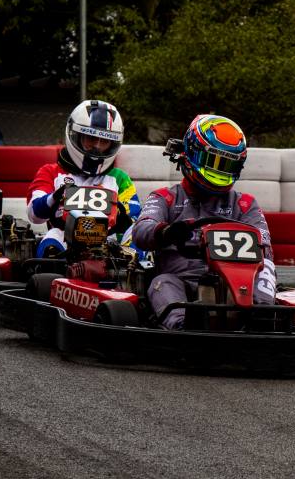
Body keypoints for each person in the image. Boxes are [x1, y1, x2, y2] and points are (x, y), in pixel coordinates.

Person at [131, 114, 276, 329]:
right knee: (161, 284)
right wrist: (166, 232)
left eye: (227, 164)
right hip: (181, 281)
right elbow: (141, 230)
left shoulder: (244, 204)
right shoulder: (166, 198)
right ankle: (182, 326)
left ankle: (262, 316)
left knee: (267, 266)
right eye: (214, 161)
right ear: (193, 153)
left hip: (235, 284)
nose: (219, 170)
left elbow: (263, 244)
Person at [26, 99, 140, 257]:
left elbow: (134, 217)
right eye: (91, 139)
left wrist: (120, 216)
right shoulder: (51, 172)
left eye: (105, 141)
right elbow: (34, 215)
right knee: (53, 236)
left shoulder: (119, 179)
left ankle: (132, 276)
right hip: (66, 244)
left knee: (138, 232)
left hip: (109, 247)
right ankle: (53, 273)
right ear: (75, 136)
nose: (97, 147)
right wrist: (54, 197)